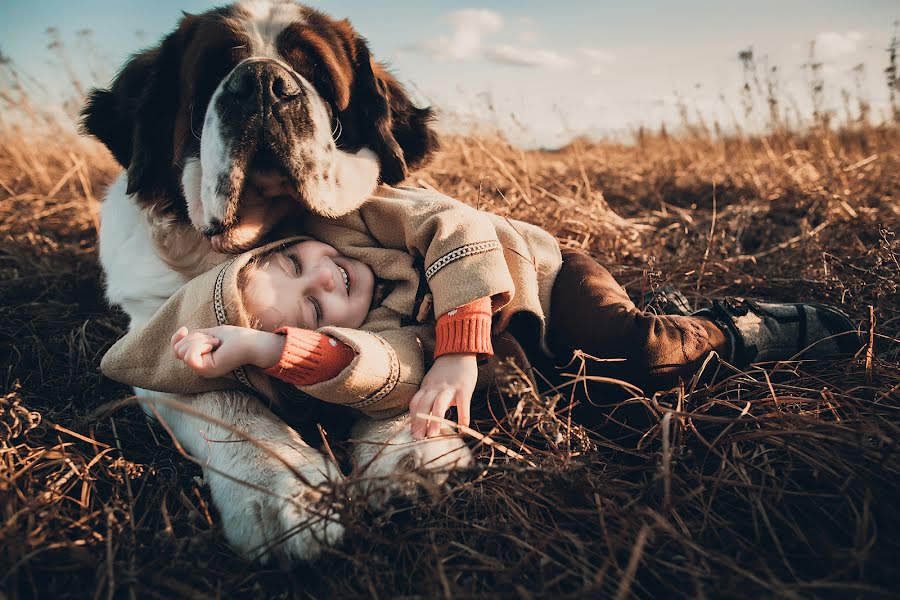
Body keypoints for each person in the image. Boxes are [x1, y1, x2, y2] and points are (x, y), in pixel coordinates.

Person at [101, 186, 860, 439]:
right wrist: (266, 354)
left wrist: (461, 344)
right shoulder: (367, 331)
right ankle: (671, 316)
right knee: (600, 406)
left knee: (631, 346)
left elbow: (456, 225)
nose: (325, 274)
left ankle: (750, 328)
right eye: (312, 305)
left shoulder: (351, 216)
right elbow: (392, 374)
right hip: (512, 346)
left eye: (294, 261)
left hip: (541, 281)